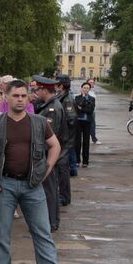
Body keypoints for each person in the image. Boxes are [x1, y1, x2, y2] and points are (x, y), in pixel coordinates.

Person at [0, 79, 69, 264]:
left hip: (32, 186)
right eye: (15, 95)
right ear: (6, 98)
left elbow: (55, 145)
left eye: (23, 95)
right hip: (4, 185)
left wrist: (46, 169)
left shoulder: (39, 122)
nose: (20, 99)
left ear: (28, 97)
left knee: (43, 233)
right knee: (0, 233)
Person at [34, 75, 67, 232]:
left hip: (48, 155)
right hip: (47, 155)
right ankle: (50, 221)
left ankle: (50, 222)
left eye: (37, 89)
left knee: (49, 189)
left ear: (43, 90)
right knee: (49, 188)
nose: (36, 92)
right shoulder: (49, 105)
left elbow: (48, 136)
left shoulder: (52, 109)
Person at [54, 75, 77, 205]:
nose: (55, 87)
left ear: (61, 86)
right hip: (63, 139)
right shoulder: (61, 97)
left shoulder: (67, 100)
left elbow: (71, 119)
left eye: (56, 84)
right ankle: (62, 195)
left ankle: (64, 197)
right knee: (60, 168)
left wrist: (62, 134)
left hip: (65, 140)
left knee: (62, 169)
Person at [74, 82, 96, 167]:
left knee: (86, 142)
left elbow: (90, 111)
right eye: (84, 88)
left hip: (87, 122)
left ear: (89, 89)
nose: (85, 89)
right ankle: (77, 160)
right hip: (78, 122)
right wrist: (83, 100)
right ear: (81, 88)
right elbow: (77, 109)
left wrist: (81, 108)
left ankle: (85, 161)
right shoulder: (77, 98)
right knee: (77, 142)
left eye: (87, 88)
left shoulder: (92, 99)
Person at [87, 78, 101, 144]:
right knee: (91, 125)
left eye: (93, 82)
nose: (92, 83)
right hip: (88, 111)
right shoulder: (86, 91)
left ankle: (94, 139)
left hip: (93, 111)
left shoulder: (92, 91)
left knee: (92, 125)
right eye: (90, 82)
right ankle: (94, 139)